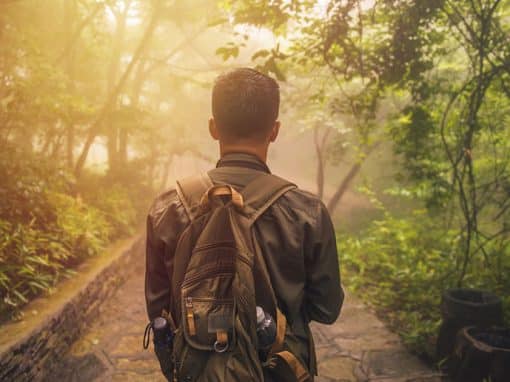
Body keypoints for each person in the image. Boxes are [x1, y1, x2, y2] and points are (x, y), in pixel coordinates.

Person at [145, 67, 344, 380]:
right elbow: (327, 309)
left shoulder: (168, 208)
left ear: (213, 128)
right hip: (281, 369)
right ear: (274, 131)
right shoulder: (307, 213)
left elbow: (158, 308)